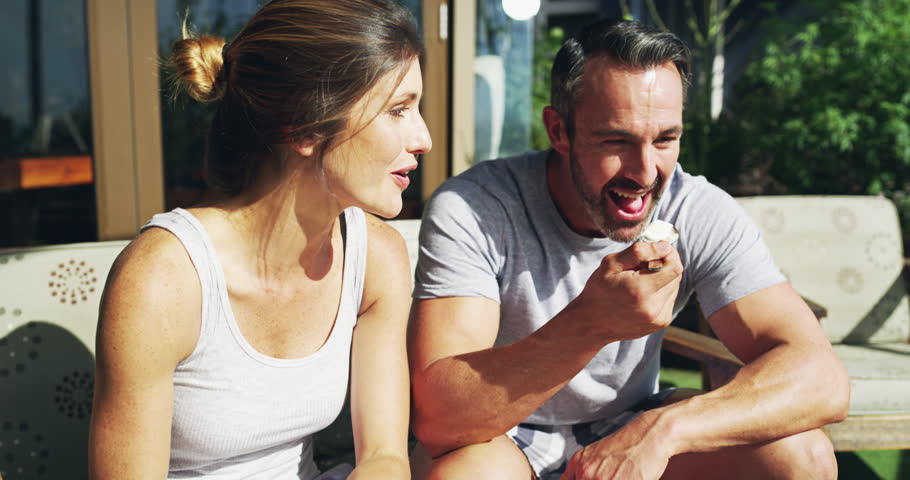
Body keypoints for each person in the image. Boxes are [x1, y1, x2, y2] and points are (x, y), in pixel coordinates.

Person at [408, 18, 849, 480]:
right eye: (616, 140)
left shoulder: (696, 207)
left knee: (805, 458)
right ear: (559, 131)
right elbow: (441, 419)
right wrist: (592, 322)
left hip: (634, 417)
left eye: (665, 139)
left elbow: (824, 380)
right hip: (503, 431)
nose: (644, 173)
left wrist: (662, 430)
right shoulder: (477, 207)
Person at [88, 1, 430, 478]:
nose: (424, 139)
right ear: (306, 125)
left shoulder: (377, 258)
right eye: (397, 111)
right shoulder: (164, 279)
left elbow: (384, 458)